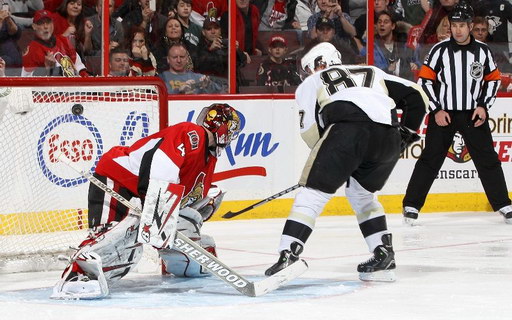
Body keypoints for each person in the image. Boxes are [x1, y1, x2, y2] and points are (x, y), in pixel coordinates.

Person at [264, 42, 428, 281]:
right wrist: (405, 134)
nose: (307, 73)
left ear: (319, 64)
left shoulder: (313, 81)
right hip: (388, 137)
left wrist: (330, 158)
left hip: (347, 132)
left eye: (308, 67)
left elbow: (310, 128)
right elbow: (417, 96)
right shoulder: (373, 71)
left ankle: (288, 254)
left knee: (312, 194)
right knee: (362, 195)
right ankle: (383, 252)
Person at [51, 103, 241, 299]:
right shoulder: (192, 133)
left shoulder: (208, 160)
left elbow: (185, 196)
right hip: (117, 178)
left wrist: (203, 203)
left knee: (186, 223)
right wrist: (152, 202)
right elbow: (159, 160)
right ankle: (77, 275)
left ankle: (181, 262)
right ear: (226, 130)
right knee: (117, 240)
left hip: (146, 193)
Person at [402, 2, 512, 225]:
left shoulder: (483, 52)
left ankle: (503, 203)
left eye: (462, 25)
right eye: (454, 25)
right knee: (430, 159)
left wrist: (483, 106)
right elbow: (425, 81)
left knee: (488, 159)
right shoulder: (438, 51)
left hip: (473, 114)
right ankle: (411, 205)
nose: (458, 30)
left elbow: (492, 81)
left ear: (471, 26)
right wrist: (436, 109)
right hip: (444, 115)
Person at [21, 9, 88, 77]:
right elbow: (26, 79)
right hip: (52, 86)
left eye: (48, 22)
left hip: (74, 85)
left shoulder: (64, 41)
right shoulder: (31, 51)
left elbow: (78, 65)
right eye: (41, 23)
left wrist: (85, 78)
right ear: (34, 26)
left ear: (53, 24)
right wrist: (46, 70)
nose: (46, 27)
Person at [360, 11, 420, 81]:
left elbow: (420, 61)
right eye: (379, 22)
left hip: (405, 83)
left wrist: (416, 65)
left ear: (393, 26)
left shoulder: (404, 44)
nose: (382, 24)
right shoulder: (369, 47)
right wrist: (388, 69)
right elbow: (367, 69)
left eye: (386, 22)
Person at [159, 42, 224, 94]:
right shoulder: (161, 78)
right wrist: (178, 91)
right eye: (175, 57)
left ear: (187, 59)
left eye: (182, 57)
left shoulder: (199, 78)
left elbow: (222, 92)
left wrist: (209, 85)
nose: (179, 60)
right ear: (168, 59)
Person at [0, 3, 22, 76]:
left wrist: (8, 18)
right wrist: (0, 19)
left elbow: (16, 33)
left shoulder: (5, 19)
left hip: (15, 64)